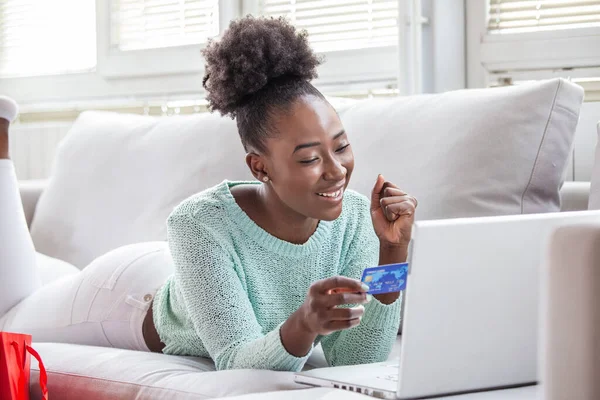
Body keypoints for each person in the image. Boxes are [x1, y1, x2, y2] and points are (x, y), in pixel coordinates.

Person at [0, 16, 417, 371]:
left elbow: (358, 360)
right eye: (309, 159)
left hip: (183, 274)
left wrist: (393, 252)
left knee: (38, 281)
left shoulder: (359, 218)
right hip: (121, 298)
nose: (336, 170)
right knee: (10, 317)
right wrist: (304, 325)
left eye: (341, 146)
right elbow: (235, 360)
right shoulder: (198, 222)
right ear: (260, 167)